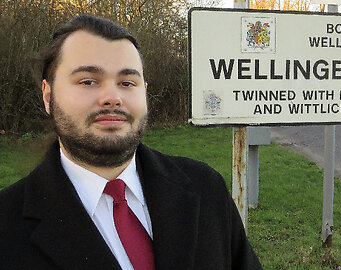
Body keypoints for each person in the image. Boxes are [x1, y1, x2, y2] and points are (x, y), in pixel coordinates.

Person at [0, 14, 262, 270]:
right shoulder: (7, 227)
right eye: (88, 81)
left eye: (127, 82)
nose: (113, 98)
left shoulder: (206, 189)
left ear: (144, 93)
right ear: (48, 96)